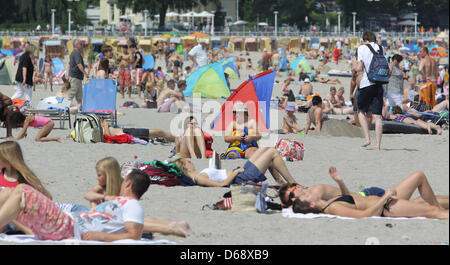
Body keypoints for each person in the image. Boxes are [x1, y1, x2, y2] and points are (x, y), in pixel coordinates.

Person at [0, 168, 152, 241]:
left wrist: (101, 236)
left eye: (123, 181)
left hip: (69, 227)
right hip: (66, 222)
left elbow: (134, 235)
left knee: (23, 191)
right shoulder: (119, 202)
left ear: (128, 184)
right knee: (8, 193)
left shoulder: (133, 205)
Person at [82, 158, 194, 238]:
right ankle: (172, 225)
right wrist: (107, 197)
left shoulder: (123, 184)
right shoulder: (102, 187)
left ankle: (173, 225)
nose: (96, 178)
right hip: (104, 218)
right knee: (139, 222)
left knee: (137, 222)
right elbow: (87, 195)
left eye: (99, 175)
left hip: (111, 219)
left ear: (108, 174)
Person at [290, 168, 448, 219]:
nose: (307, 191)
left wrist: (340, 181)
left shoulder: (330, 202)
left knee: (419, 176)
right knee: (433, 211)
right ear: (311, 204)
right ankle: (440, 212)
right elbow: (364, 215)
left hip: (388, 200)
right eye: (306, 195)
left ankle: (440, 210)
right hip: (387, 207)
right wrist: (384, 198)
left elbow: (352, 198)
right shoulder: (332, 208)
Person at [173, 147, 297, 187]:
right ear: (185, 168)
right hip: (241, 177)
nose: (190, 162)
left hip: (239, 174)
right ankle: (293, 183)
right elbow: (222, 185)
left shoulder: (200, 174)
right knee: (272, 153)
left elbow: (218, 177)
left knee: (263, 149)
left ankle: (279, 181)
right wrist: (235, 172)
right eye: (187, 162)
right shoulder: (199, 178)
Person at [0, 141, 52, 235]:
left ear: (7, 159)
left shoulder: (25, 177)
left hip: (17, 218)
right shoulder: (1, 176)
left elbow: (47, 197)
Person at [357, 30, 384, 150]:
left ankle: (367, 138)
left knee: (361, 112)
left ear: (364, 39)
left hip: (366, 83)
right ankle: (378, 145)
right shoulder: (380, 47)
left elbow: (359, 68)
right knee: (377, 116)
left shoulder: (361, 48)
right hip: (379, 83)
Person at [100, 117, 175, 143]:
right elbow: (108, 138)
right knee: (159, 132)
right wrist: (105, 125)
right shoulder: (95, 134)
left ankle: (176, 138)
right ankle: (177, 139)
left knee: (159, 133)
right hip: (126, 134)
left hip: (125, 131)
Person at [383, 54, 407, 119]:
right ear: (395, 60)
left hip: (395, 89)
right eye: (398, 61)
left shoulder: (397, 66)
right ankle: (398, 117)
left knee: (388, 104)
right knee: (399, 105)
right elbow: (388, 74)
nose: (399, 62)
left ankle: (385, 116)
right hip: (393, 89)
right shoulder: (391, 66)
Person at [68, 39, 89, 108]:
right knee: (72, 93)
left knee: (79, 95)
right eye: (80, 44)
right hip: (75, 76)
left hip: (77, 77)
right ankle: (65, 107)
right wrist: (85, 73)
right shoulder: (76, 53)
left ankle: (80, 107)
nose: (82, 45)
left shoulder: (74, 52)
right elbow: (79, 64)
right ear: (77, 45)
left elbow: (69, 65)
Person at [349, 48, 364, 127]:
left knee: (356, 110)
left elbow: (353, 79)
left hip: (361, 89)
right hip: (369, 88)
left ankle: (360, 127)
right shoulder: (370, 61)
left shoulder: (355, 64)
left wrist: (351, 93)